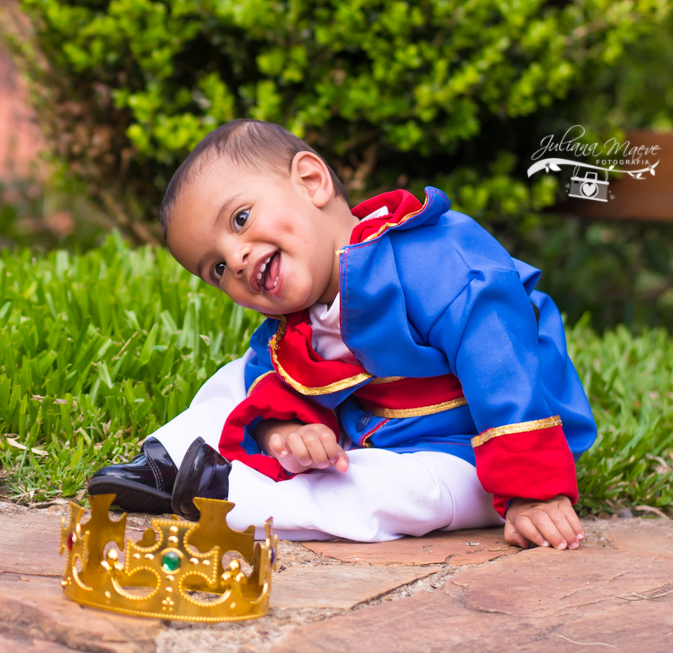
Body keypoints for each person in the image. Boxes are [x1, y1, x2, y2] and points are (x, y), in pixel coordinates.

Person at [87, 120, 595, 550]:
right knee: (240, 379)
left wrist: (534, 491)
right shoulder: (294, 321)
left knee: (411, 493)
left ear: (311, 182)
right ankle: (168, 460)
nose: (235, 260)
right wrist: (284, 432)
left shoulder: (437, 259)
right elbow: (276, 385)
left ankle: (231, 497)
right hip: (366, 431)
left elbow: (503, 367)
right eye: (216, 268)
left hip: (471, 449)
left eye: (240, 219)